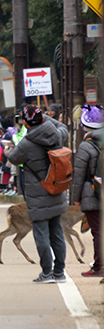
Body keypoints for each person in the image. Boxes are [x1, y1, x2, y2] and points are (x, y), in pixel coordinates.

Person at [8, 105, 69, 284]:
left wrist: (8, 149)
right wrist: (45, 118)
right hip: (56, 189)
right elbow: (62, 126)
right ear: (42, 118)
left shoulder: (26, 144)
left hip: (38, 193)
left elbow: (13, 158)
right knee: (57, 232)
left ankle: (46, 272)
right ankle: (59, 272)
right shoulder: (58, 134)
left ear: (26, 123)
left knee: (41, 233)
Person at [71, 105, 103, 278]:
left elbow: (79, 175)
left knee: (98, 231)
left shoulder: (86, 145)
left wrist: (76, 198)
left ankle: (99, 266)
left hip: (92, 192)